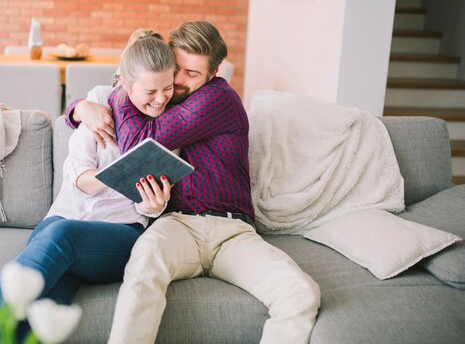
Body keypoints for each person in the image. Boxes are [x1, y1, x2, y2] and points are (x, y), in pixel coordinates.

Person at [67, 21, 321, 344]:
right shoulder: (164, 95)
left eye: (192, 74)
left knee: (301, 293)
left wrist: (121, 89)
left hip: (232, 233)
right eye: (177, 68)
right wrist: (79, 108)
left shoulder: (218, 99)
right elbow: (103, 106)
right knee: (142, 268)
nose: (178, 81)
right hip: (177, 227)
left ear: (214, 74)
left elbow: (143, 142)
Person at [0, 29, 176, 341]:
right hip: (65, 215)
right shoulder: (99, 101)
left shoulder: (171, 125)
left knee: (60, 235)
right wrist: (83, 112)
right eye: (151, 91)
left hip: (121, 231)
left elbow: (146, 204)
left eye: (168, 88)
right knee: (53, 273)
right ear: (124, 80)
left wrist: (155, 204)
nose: (161, 98)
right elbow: (78, 170)